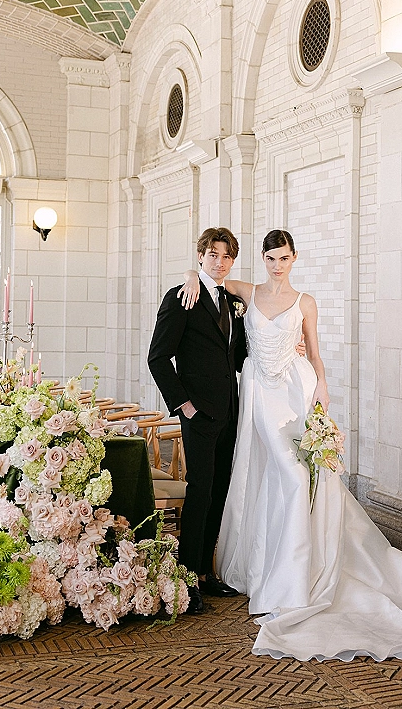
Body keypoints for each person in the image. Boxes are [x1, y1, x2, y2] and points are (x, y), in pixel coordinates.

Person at [180, 229, 402, 661]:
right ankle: (257, 567)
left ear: (294, 258)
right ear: (263, 259)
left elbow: (317, 353)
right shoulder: (245, 292)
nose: (277, 266)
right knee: (256, 473)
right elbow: (211, 277)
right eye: (270, 258)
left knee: (294, 473)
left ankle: (294, 577)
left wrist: (322, 384)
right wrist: (190, 277)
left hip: (292, 393)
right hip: (255, 395)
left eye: (284, 258)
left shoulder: (305, 301)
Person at [147, 227, 247, 613]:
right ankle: (187, 579)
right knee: (200, 490)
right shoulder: (180, 297)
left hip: (230, 410)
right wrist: (184, 405)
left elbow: (235, 358)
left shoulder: (230, 300)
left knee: (219, 490)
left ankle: (206, 572)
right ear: (201, 255)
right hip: (198, 412)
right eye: (213, 255)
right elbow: (158, 357)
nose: (219, 263)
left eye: (227, 257)